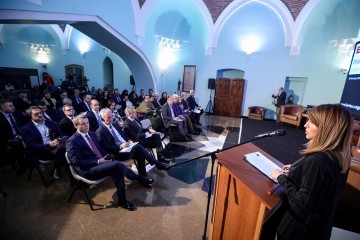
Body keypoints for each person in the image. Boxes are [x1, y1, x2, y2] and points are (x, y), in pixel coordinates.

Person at [271, 104, 352, 240]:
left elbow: (305, 203)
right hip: (319, 229)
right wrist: (298, 170)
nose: (305, 125)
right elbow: (321, 187)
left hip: (298, 230)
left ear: (327, 129)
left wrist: (280, 177)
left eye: (312, 122)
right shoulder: (340, 156)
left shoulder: (317, 160)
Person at [66, 114, 155, 211]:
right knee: (117, 165)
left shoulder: (91, 134)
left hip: (102, 163)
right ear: (75, 126)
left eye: (87, 123)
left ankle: (122, 201)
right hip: (88, 170)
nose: (87, 125)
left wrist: (107, 157)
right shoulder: (72, 141)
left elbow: (100, 149)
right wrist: (99, 161)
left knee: (117, 170)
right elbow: (77, 161)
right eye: (83, 124)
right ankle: (140, 179)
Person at [96, 108, 168, 177]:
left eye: (111, 116)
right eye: (108, 117)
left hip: (127, 147)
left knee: (140, 154)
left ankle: (143, 176)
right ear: (102, 118)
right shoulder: (100, 131)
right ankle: (158, 164)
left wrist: (128, 140)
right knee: (138, 147)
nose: (111, 118)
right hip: (118, 153)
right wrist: (120, 146)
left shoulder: (115, 125)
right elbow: (106, 147)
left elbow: (123, 135)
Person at [21, 106, 67, 179]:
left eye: (40, 113)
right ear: (30, 115)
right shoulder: (26, 128)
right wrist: (48, 145)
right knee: (65, 150)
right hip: (41, 149)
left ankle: (56, 167)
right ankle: (59, 168)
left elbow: (62, 133)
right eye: (36, 114)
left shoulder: (48, 122)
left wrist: (57, 139)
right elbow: (30, 145)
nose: (39, 115)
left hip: (55, 145)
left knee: (66, 140)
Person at [0, 99, 26, 175]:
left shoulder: (17, 114)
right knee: (17, 144)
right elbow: (2, 134)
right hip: (9, 138)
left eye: (13, 105)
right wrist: (17, 136)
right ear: (3, 108)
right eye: (10, 106)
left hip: (22, 134)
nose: (13, 107)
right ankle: (21, 165)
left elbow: (24, 124)